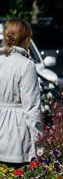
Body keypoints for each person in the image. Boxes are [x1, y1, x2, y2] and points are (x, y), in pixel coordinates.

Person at [0, 17, 43, 167]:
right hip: (16, 136)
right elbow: (32, 108)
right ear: (26, 39)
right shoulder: (26, 65)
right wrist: (39, 142)